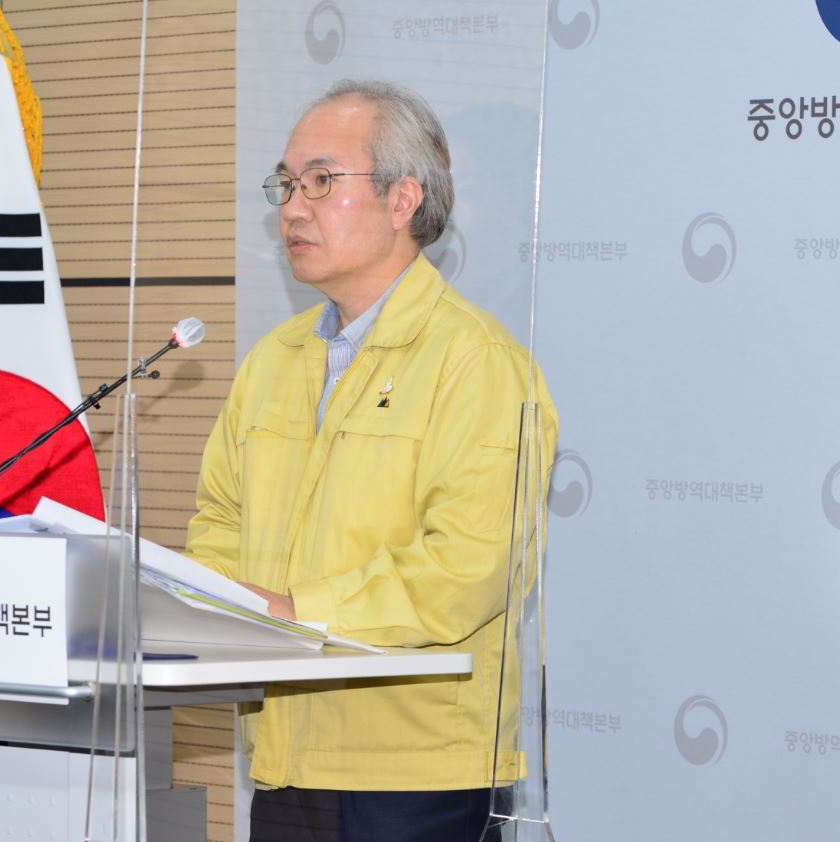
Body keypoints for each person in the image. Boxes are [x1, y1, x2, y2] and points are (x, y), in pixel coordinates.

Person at [185, 79, 559, 842]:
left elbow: (469, 569)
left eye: (320, 181)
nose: (291, 207)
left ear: (402, 200)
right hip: (285, 761)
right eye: (285, 184)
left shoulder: (479, 363)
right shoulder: (272, 362)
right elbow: (218, 520)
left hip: (418, 776)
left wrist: (293, 614)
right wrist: (221, 608)